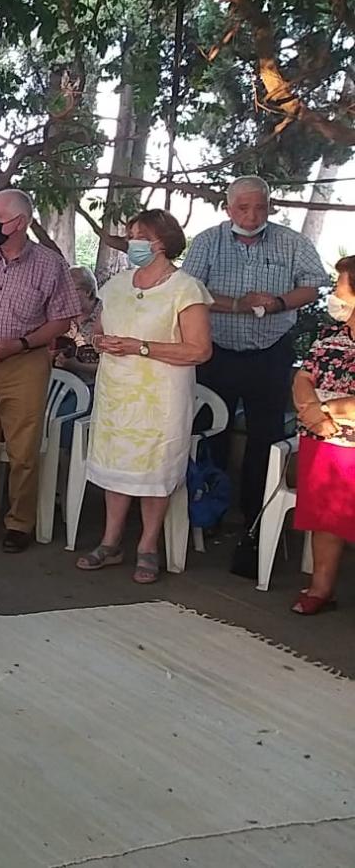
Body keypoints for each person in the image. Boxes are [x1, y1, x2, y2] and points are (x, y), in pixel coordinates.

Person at [76, 211, 213, 583]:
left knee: (154, 468)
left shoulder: (186, 288)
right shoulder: (116, 284)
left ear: (162, 243)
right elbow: (100, 330)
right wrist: (99, 341)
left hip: (161, 396)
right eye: (131, 233)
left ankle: (148, 546)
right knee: (116, 466)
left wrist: (142, 348)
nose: (133, 241)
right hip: (118, 391)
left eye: (141, 235)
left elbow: (199, 350)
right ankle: (110, 541)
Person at [183, 175, 326, 526]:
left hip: (271, 351)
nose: (251, 216)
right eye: (243, 208)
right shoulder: (207, 242)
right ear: (228, 208)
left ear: (269, 206)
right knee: (211, 430)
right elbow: (188, 291)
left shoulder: (292, 242)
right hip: (217, 352)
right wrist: (237, 305)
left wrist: (278, 303)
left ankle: (256, 515)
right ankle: (210, 509)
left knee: (267, 434)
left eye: (259, 207)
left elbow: (311, 286)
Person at [0, 189, 81, 552]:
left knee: (24, 448)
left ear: (19, 223)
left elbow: (63, 320)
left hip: (24, 362)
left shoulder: (50, 264)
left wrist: (20, 344)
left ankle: (19, 523)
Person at [287, 256, 355, 615]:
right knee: (324, 519)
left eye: (340, 286)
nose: (334, 294)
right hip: (322, 441)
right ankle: (320, 588)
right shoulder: (330, 337)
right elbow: (303, 378)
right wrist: (313, 413)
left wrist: (327, 409)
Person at [56, 266, 104, 384]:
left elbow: (112, 366)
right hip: (60, 385)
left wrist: (76, 366)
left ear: (88, 292)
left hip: (94, 387)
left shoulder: (107, 316)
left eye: (70, 290)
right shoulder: (61, 316)